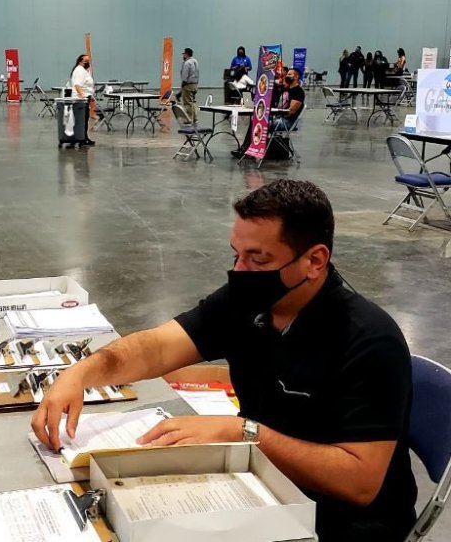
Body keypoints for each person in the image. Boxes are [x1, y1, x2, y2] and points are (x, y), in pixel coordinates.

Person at [32, 179, 417, 542]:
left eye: (258, 259)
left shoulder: (368, 340)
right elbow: (158, 347)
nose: (240, 271)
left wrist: (244, 433)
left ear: (315, 260)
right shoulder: (247, 302)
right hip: (255, 482)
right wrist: (81, 373)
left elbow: (360, 483)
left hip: (338, 522)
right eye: (237, 255)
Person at [231, 67, 305, 158]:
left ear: (296, 77)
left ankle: (246, 150)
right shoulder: (287, 90)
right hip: (278, 117)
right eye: (287, 74)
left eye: (290, 74)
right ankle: (247, 149)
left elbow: (291, 111)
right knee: (255, 120)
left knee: (258, 123)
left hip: (287, 122)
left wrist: (274, 112)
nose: (287, 76)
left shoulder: (298, 92)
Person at [70, 53, 96, 146]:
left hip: (84, 99)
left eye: (89, 61)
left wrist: (90, 96)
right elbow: (77, 85)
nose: (88, 62)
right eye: (86, 61)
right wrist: (83, 96)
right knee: (81, 120)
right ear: (80, 61)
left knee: (84, 120)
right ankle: (81, 138)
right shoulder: (79, 71)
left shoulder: (83, 70)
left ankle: (83, 137)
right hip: (81, 100)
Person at [180, 47, 200, 122]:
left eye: (184, 54)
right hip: (195, 84)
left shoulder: (187, 63)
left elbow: (185, 76)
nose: (183, 55)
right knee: (192, 102)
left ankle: (188, 119)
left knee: (187, 102)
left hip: (188, 85)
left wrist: (183, 84)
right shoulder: (195, 61)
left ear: (186, 54)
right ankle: (195, 118)